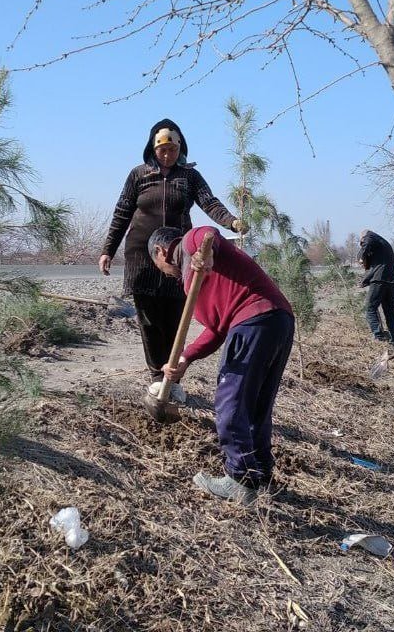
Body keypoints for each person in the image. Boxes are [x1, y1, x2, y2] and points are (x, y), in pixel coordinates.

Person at [99, 119, 247, 398]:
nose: (167, 155)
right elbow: (122, 212)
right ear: (153, 148)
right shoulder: (138, 175)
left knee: (177, 318)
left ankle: (174, 380)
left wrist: (232, 222)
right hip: (142, 257)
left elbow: (210, 202)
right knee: (150, 321)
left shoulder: (189, 177)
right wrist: (108, 249)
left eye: (172, 149)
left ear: (181, 148)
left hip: (179, 257)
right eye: (162, 149)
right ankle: (158, 377)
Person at [151, 225, 294, 506]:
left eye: (158, 265)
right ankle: (260, 472)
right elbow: (216, 329)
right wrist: (185, 358)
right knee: (256, 406)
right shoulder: (192, 281)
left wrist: (204, 256)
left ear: (161, 252)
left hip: (253, 320)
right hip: (276, 320)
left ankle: (239, 478)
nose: (163, 271)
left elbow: (206, 233)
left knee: (231, 402)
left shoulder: (191, 249)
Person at [357, 229, 394, 346]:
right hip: (391, 280)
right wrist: (365, 280)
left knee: (370, 308)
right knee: (390, 311)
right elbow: (378, 266)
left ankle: (379, 337)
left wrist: (361, 255)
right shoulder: (382, 245)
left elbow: (368, 240)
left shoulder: (370, 236)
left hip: (380, 280)